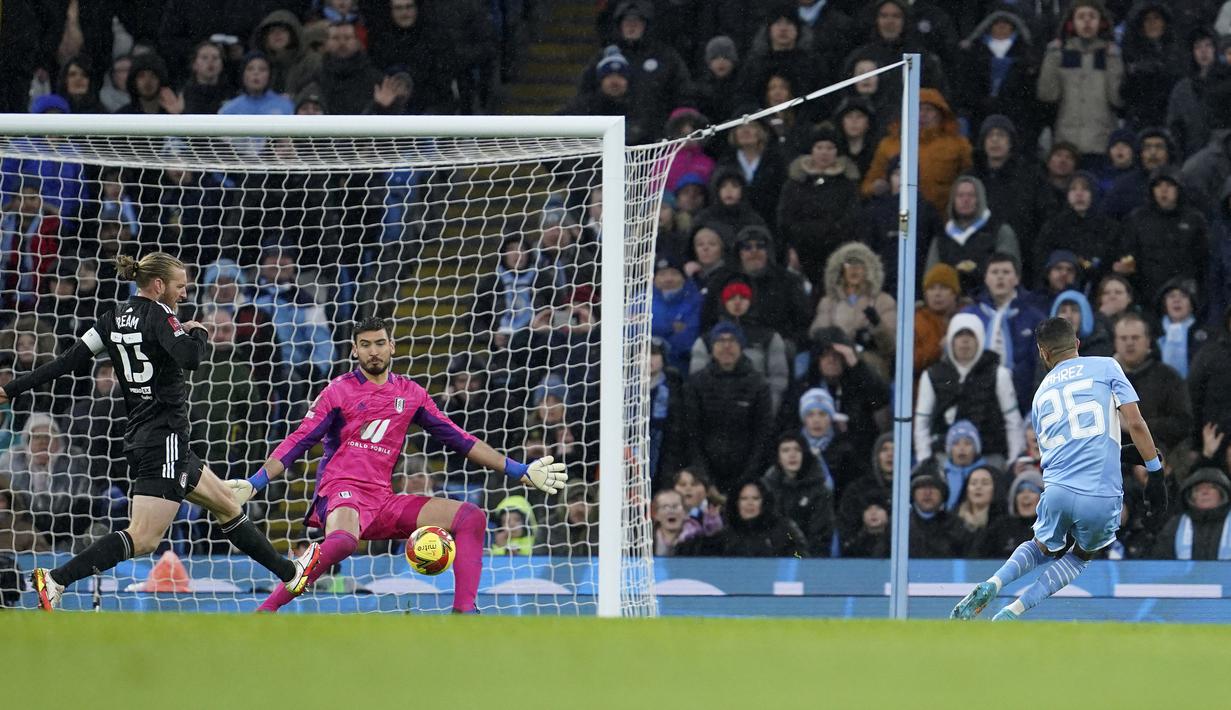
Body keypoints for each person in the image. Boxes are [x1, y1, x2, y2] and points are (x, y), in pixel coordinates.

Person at [2, 252, 321, 611]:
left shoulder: (109, 320)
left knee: (228, 505)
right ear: (158, 285)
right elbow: (191, 358)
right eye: (180, 286)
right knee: (143, 537)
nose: (184, 294)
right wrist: (199, 332)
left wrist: (11, 389)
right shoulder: (160, 315)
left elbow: (65, 362)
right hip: (164, 438)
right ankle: (56, 579)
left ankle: (289, 574)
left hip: (147, 435)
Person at [226, 317, 566, 613]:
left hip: (383, 499)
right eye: (365, 345)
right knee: (343, 541)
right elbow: (299, 440)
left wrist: (520, 471)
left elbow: (460, 439)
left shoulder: (411, 394)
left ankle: (465, 613)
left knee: (470, 517)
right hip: (342, 492)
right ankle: (268, 608)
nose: (373, 351)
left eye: (379, 343)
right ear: (354, 351)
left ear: (392, 346)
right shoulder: (338, 391)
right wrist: (256, 482)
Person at [951, 317, 1163, 620]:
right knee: (1080, 556)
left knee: (1039, 547)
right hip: (1100, 494)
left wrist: (1120, 453)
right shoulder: (1106, 366)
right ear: (1077, 343)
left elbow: (1065, 449)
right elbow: (1136, 424)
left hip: (1057, 491)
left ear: (1043, 353)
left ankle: (994, 582)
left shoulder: (1040, 395)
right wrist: (1155, 471)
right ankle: (1013, 611)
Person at [682, 322, 774, 495]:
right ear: (711, 347)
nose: (726, 346)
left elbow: (763, 434)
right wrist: (705, 478)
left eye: (732, 340)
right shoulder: (696, 384)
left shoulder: (758, 384)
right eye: (720, 341)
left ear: (741, 346)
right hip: (706, 475)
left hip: (746, 475)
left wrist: (747, 478)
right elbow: (692, 434)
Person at [1035, 0, 1124, 162]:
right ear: (1072, 23)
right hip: (1067, 144)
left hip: (1101, 143)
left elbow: (1117, 98)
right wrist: (1052, 57)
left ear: (1101, 23)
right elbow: (1047, 94)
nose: (1087, 21)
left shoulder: (1110, 55)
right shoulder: (1060, 54)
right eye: (1081, 17)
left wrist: (1114, 60)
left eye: (1092, 16)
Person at [963, 253, 1045, 413]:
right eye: (994, 272)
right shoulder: (969, 316)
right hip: (977, 401)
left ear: (1017, 279)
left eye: (1006, 272)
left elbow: (1042, 366)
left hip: (1022, 401)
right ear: (986, 278)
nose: (1000, 277)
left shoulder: (1035, 317)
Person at [762, 432, 834, 557]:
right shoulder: (766, 489)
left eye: (797, 450)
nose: (792, 455)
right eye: (785, 450)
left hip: (808, 560)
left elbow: (821, 534)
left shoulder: (820, 491)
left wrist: (801, 557)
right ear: (778, 457)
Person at [1150, 468, 1231, 560]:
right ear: (1191, 498)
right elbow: (1161, 559)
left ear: (1222, 494)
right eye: (1198, 490)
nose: (1204, 492)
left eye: (1211, 487)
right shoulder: (1175, 525)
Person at [713, 479, 807, 557]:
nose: (750, 503)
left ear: (765, 502)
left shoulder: (785, 530)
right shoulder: (726, 535)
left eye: (756, 498)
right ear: (736, 503)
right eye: (744, 498)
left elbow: (799, 557)